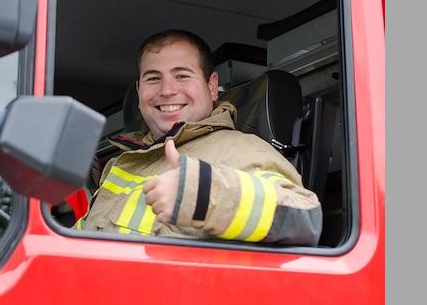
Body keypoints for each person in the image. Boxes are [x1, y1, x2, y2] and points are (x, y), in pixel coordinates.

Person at [77, 30, 321, 245]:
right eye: (153, 78)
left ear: (212, 86)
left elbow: (306, 220)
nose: (167, 90)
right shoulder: (122, 163)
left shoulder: (243, 149)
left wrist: (202, 193)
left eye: (182, 75)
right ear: (139, 92)